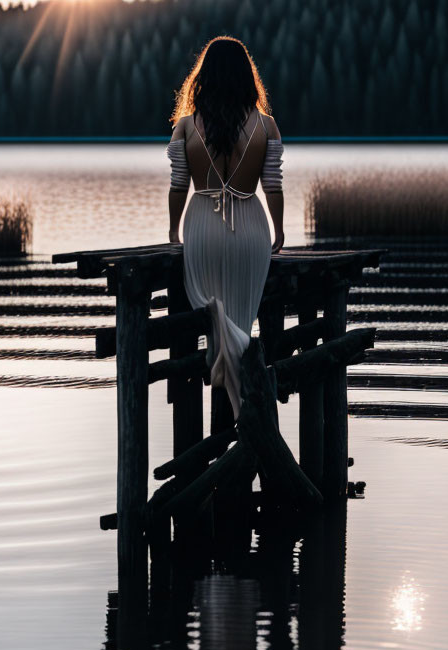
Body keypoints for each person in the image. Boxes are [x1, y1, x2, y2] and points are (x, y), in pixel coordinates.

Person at [166, 36, 284, 421]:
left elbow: (179, 185)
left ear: (204, 77)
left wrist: (173, 231)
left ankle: (222, 366)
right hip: (250, 227)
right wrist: (279, 231)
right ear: (246, 77)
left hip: (201, 224)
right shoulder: (266, 125)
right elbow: (273, 186)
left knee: (215, 314)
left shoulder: (186, 126)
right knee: (241, 320)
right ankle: (245, 410)